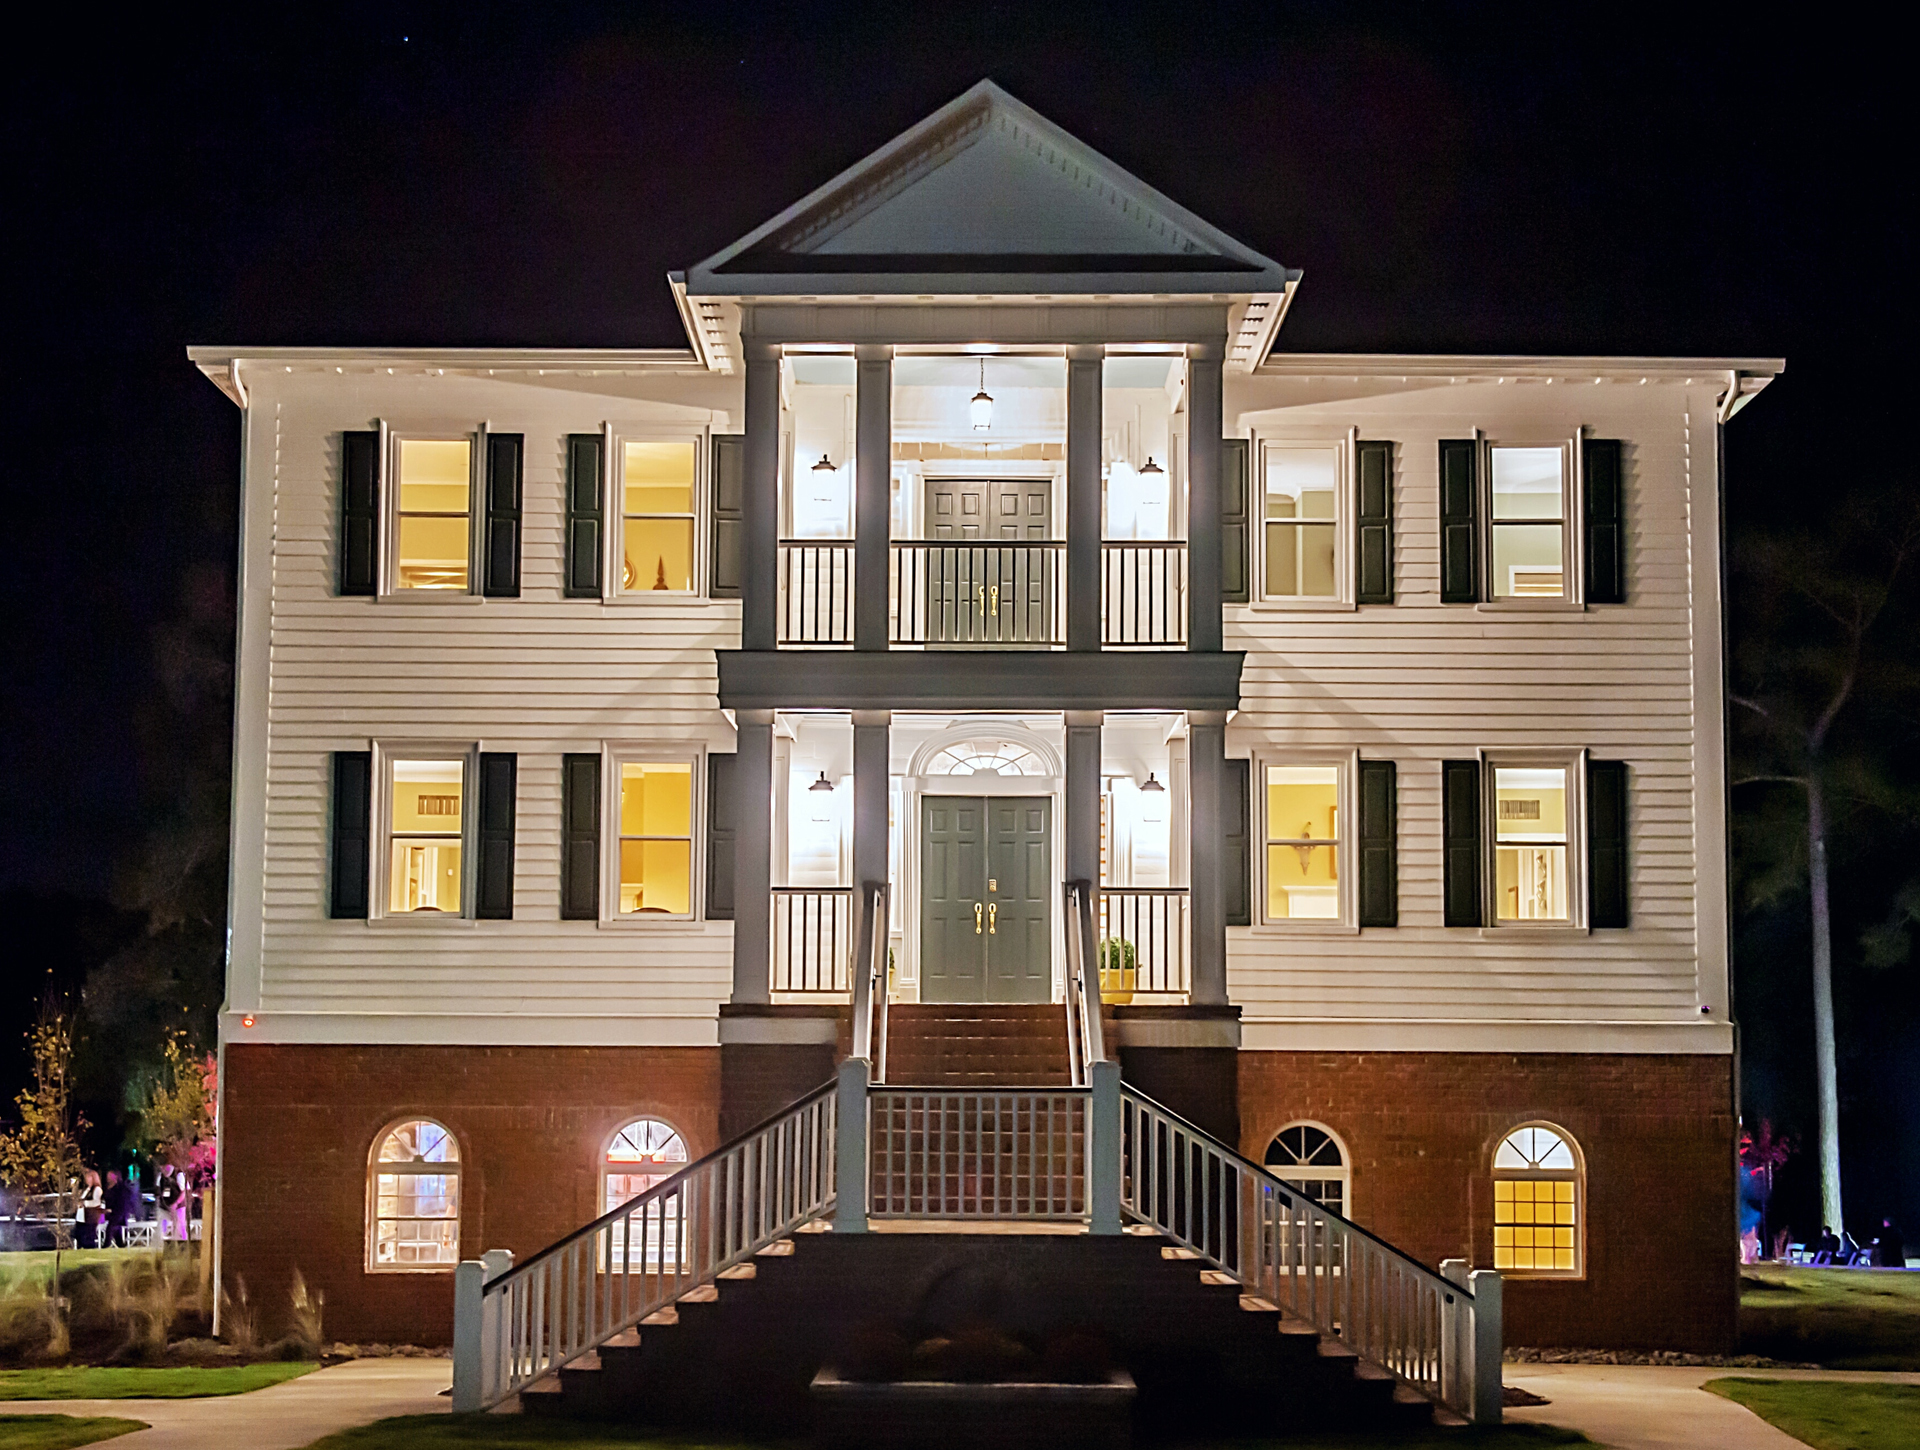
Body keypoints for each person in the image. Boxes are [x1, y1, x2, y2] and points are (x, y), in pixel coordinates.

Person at [154, 1164, 185, 1243]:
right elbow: (159, 1192)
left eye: (164, 1167)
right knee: (162, 1227)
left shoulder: (179, 1175)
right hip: (164, 1207)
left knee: (180, 1228)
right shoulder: (160, 1177)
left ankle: (183, 1243)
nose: (162, 1169)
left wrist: (176, 1203)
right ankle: (163, 1243)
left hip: (178, 1207)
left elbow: (184, 1193)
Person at [103, 1169, 135, 1247]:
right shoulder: (108, 1188)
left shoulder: (120, 1189)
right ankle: (120, 1245)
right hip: (111, 1213)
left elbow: (122, 1203)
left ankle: (106, 1245)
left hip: (118, 1213)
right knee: (117, 1232)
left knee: (111, 1228)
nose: (108, 1178)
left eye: (110, 1175)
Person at [78, 1170, 104, 1248]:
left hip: (93, 1216)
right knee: (82, 1234)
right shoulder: (88, 1189)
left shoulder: (97, 1189)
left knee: (90, 1235)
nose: (86, 1179)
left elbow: (96, 1202)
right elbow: (81, 1198)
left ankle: (91, 1247)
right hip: (86, 1216)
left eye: (88, 1178)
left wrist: (85, 1203)